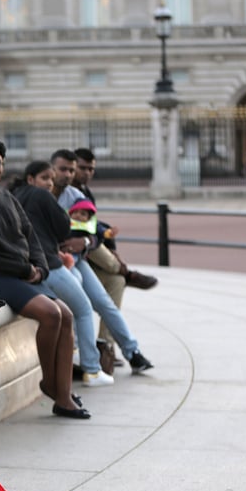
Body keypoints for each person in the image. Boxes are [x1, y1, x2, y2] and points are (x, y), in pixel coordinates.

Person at [0, 136, 88, 419]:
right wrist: (25, 270)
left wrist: (39, 266)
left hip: (21, 275)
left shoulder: (6, 197)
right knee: (51, 314)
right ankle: (50, 384)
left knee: (66, 315)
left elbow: (30, 234)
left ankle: (62, 396)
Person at [15, 160, 155, 382]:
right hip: (55, 261)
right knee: (81, 303)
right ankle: (87, 362)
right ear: (32, 178)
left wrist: (86, 242)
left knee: (102, 300)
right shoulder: (36, 196)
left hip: (74, 258)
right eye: (60, 171)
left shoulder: (77, 194)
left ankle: (132, 352)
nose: (64, 176)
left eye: (70, 171)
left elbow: (96, 227)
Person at [72, 147, 157, 352]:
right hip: (74, 251)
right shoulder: (67, 192)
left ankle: (105, 346)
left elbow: (92, 223)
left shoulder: (86, 192)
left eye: (91, 169)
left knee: (117, 281)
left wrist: (107, 238)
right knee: (101, 251)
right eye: (82, 168)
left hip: (87, 248)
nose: (87, 173)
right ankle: (127, 272)